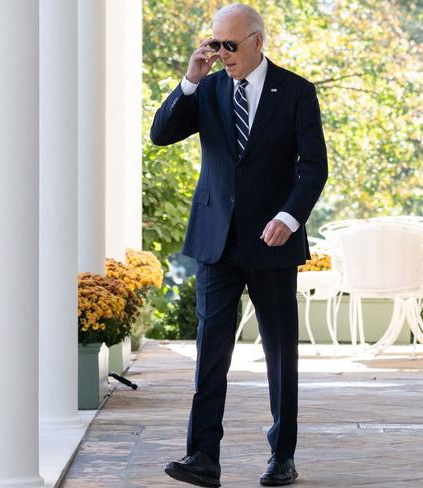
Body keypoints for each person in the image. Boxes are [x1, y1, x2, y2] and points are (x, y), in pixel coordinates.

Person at [150, 3, 328, 487]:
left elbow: (313, 167)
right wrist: (189, 79)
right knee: (211, 353)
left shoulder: (295, 92)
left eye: (230, 44)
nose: (221, 53)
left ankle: (282, 457)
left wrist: (289, 218)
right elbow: (161, 134)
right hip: (216, 242)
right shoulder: (206, 89)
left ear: (257, 41)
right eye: (215, 43)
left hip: (273, 241)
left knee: (279, 353)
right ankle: (202, 456)